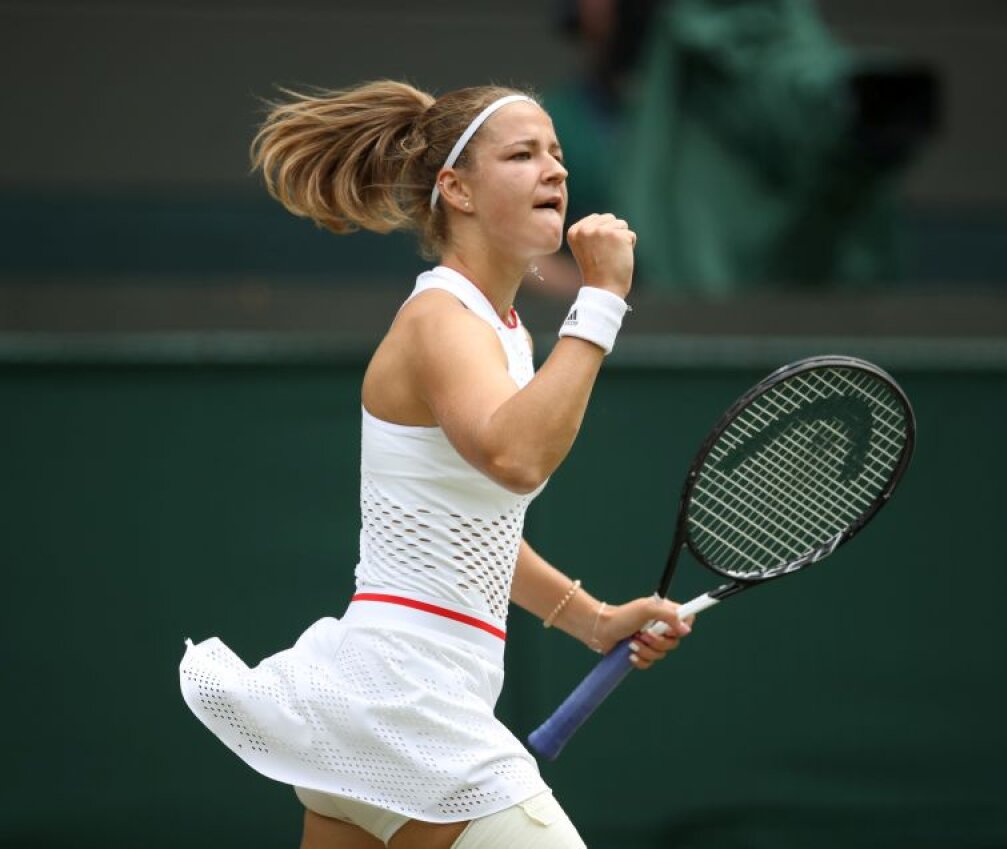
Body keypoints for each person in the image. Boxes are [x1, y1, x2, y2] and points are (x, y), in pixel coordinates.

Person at [178, 80, 693, 849]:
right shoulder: (440, 318)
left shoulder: (502, 332)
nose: (555, 169)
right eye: (523, 154)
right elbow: (517, 459)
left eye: (556, 153)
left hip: (375, 705)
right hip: (408, 705)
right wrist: (603, 299)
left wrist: (592, 619)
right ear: (457, 189)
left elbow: (471, 527)